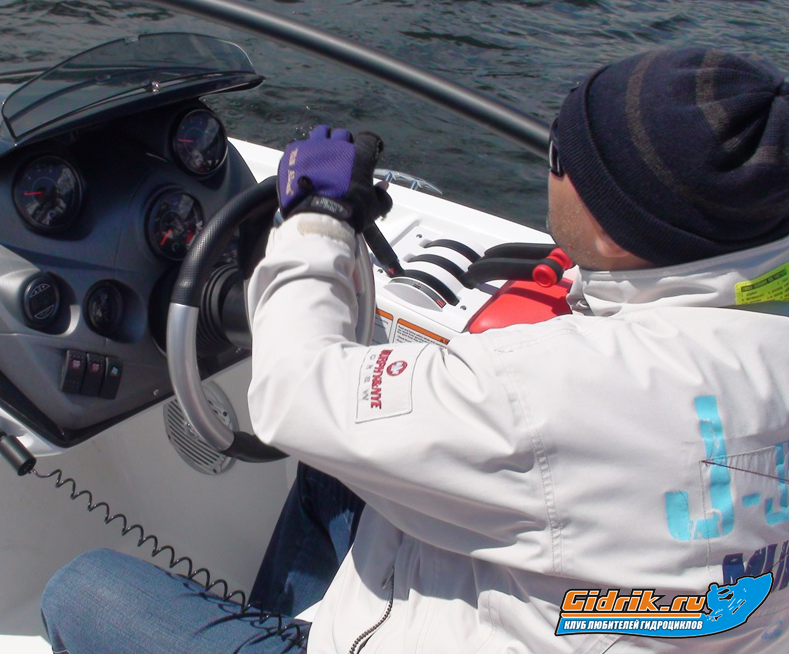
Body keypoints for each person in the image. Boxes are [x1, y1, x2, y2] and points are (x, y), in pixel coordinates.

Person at [41, 46, 789, 652]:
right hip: (614, 615)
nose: (549, 167)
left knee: (86, 592)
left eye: (561, 156)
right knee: (335, 471)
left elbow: (294, 392)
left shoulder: (553, 388)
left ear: (615, 232)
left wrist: (316, 223)